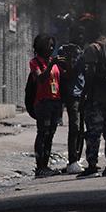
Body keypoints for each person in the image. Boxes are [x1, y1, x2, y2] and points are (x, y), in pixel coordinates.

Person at [76, 35, 106, 176]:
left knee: (93, 133)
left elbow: (90, 74)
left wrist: (84, 95)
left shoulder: (92, 49)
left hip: (96, 97)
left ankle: (92, 166)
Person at [54, 18, 89, 173]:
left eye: (82, 34)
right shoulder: (65, 50)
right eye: (77, 34)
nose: (80, 37)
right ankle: (72, 160)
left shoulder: (83, 51)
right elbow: (66, 71)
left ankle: (77, 159)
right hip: (71, 93)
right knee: (74, 126)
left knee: (81, 127)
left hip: (82, 92)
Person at [29, 34, 64, 177]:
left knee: (50, 134)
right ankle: (40, 167)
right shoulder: (35, 62)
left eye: (52, 45)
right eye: (48, 45)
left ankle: (46, 166)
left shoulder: (53, 61)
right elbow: (41, 79)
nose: (51, 48)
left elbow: (64, 76)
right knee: (42, 133)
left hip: (55, 102)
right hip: (43, 102)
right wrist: (51, 65)